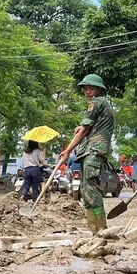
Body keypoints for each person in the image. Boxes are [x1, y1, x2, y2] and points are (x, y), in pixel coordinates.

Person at [57, 74, 116, 233]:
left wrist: (68, 150)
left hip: (93, 150)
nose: (87, 92)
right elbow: (87, 127)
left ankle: (100, 229)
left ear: (98, 89)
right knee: (86, 190)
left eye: (91, 88)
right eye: (85, 88)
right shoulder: (103, 104)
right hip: (94, 150)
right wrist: (80, 128)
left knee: (90, 190)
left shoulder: (96, 102)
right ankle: (94, 229)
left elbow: (85, 130)